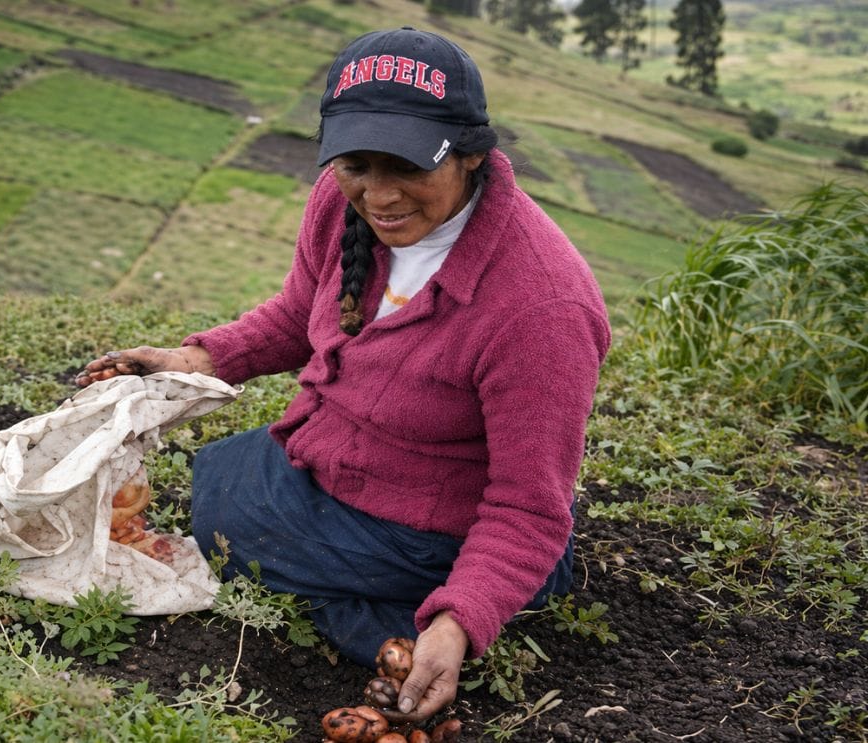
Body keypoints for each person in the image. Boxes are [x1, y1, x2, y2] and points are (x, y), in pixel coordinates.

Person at [76, 27, 610, 724]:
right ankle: (394, 612)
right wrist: (195, 359)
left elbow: (529, 505)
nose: (379, 195)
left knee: (233, 525)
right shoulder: (339, 202)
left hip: (430, 521)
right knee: (219, 478)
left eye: (408, 168)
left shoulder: (541, 309)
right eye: (357, 164)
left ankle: (446, 613)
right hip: (331, 455)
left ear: (474, 152)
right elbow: (302, 313)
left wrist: (458, 621)